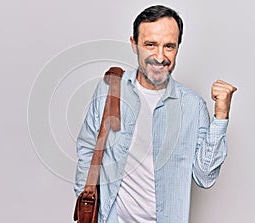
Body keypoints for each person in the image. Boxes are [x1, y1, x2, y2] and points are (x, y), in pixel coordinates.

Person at [74, 5, 237, 223]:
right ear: (134, 44)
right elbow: (87, 151)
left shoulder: (192, 106)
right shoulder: (110, 90)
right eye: (151, 45)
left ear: (178, 47)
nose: (160, 57)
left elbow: (205, 177)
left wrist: (221, 116)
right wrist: (85, 207)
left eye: (169, 46)